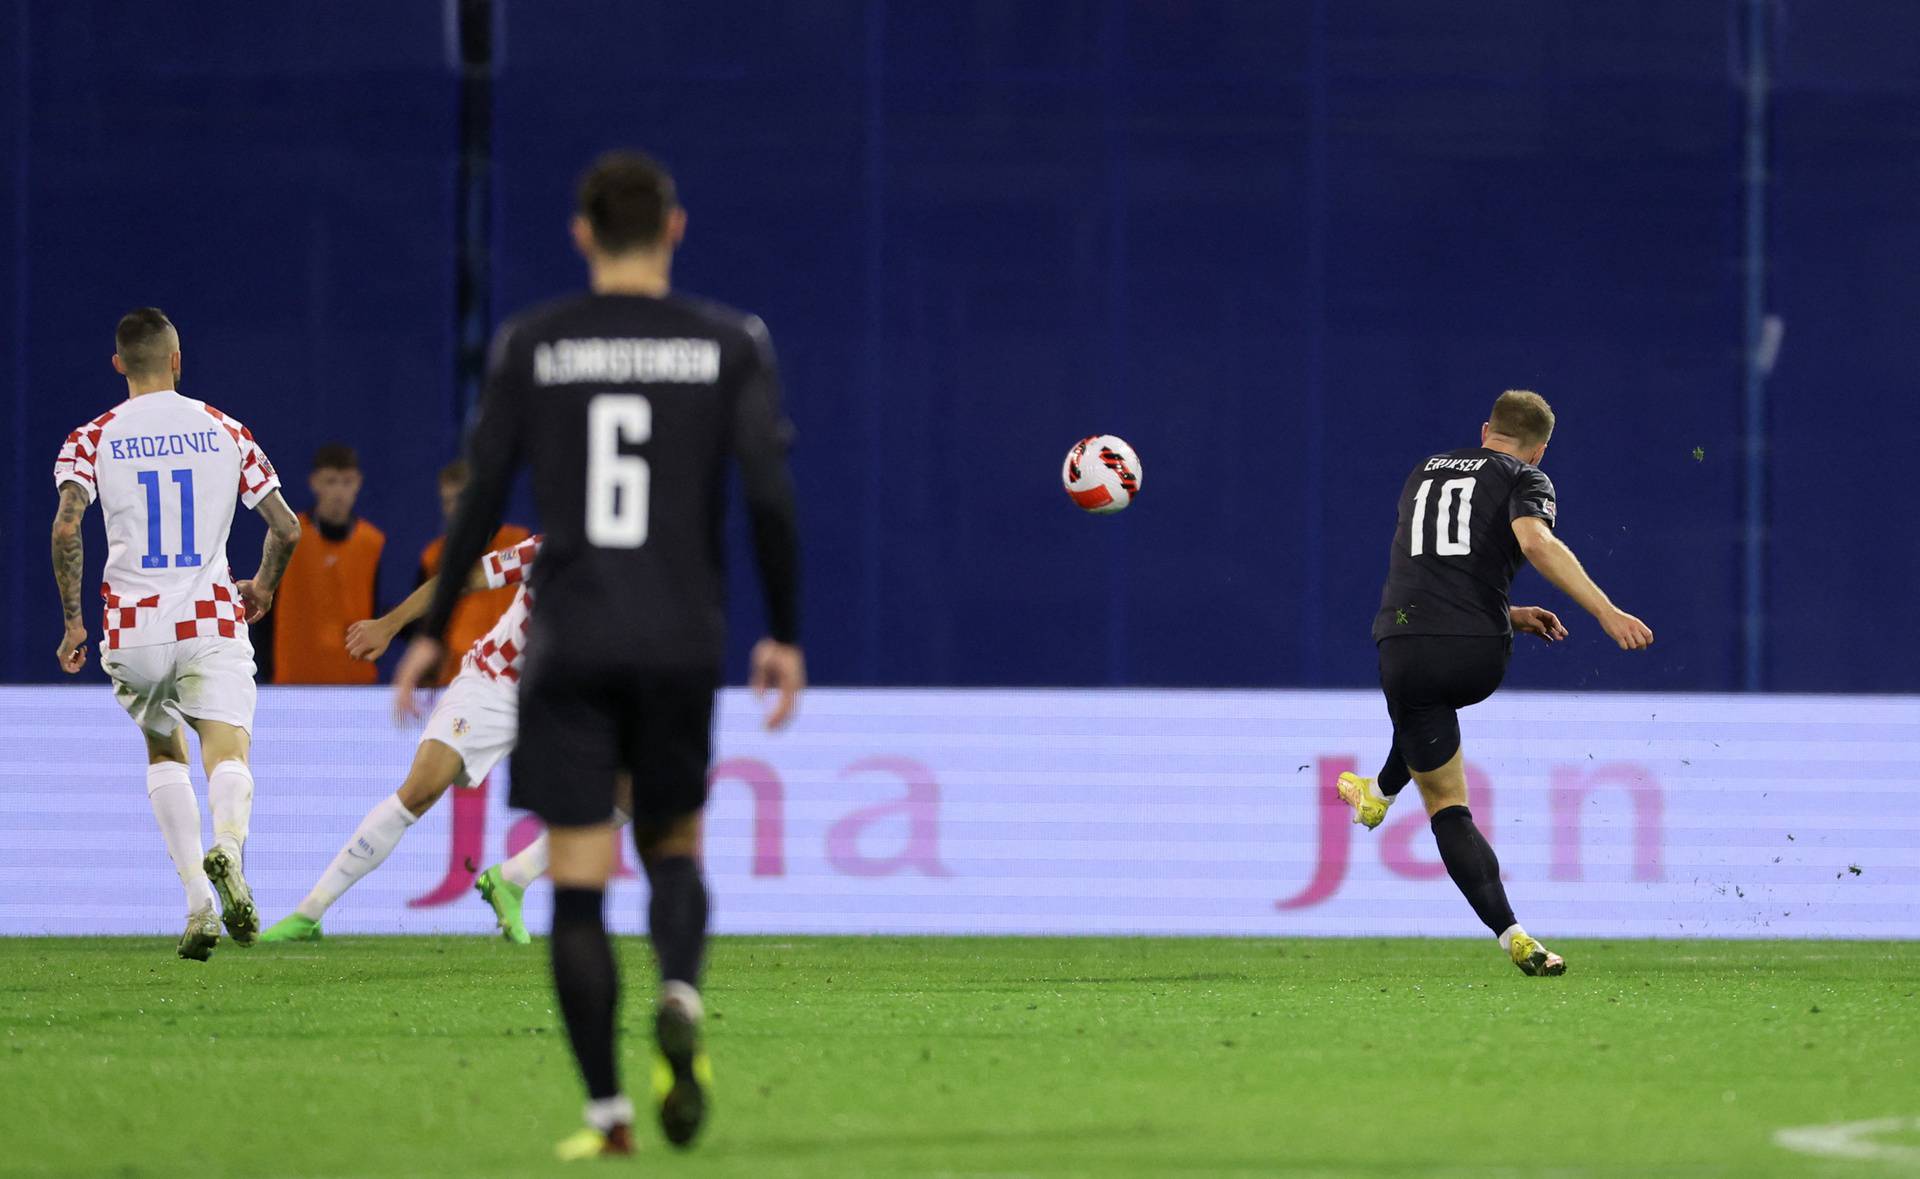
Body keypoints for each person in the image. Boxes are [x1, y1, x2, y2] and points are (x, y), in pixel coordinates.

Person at [393, 150, 804, 1159]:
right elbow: (767, 496)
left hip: (568, 645)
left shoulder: (534, 344)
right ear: (675, 228)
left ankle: (609, 1118)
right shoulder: (729, 343)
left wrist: (434, 625)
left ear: (581, 234)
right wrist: (785, 631)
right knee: (672, 844)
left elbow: (483, 498)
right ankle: (678, 991)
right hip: (678, 638)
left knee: (578, 879)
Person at [1338, 390, 1653, 977]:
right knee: (1430, 714)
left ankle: (1508, 928)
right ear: (1540, 449)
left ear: (1487, 429)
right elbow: (1534, 541)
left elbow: (1434, 571)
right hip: (1477, 654)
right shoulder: (1526, 477)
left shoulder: (1422, 472)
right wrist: (1604, 611)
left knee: (1446, 801)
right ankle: (1377, 799)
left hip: (1402, 643)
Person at [50, 307, 302, 960]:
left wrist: (75, 619)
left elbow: (67, 526)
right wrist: (264, 585)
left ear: (118, 365)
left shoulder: (91, 437)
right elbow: (287, 525)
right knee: (229, 751)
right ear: (177, 359)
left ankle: (197, 902)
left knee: (164, 756)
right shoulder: (224, 429)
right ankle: (229, 847)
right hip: (210, 619)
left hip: (131, 631)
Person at [258, 534, 627, 944]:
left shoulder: (642, 581)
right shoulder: (551, 549)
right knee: (419, 791)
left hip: (563, 705)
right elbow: (461, 579)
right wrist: (389, 624)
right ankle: (309, 913)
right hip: (494, 685)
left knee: (631, 790)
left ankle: (512, 878)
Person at [260, 444, 385, 684]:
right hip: (293, 679)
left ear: (358, 483)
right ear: (315, 482)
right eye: (331, 481)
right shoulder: (287, 534)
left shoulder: (372, 542)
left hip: (354, 679)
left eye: (346, 482)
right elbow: (266, 607)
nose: (339, 491)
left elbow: (373, 606)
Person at [418, 460, 531, 686]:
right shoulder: (433, 556)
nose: (454, 509)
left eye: (460, 499)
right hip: (454, 683)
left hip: (511, 683)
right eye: (447, 501)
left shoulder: (519, 543)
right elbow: (424, 627)